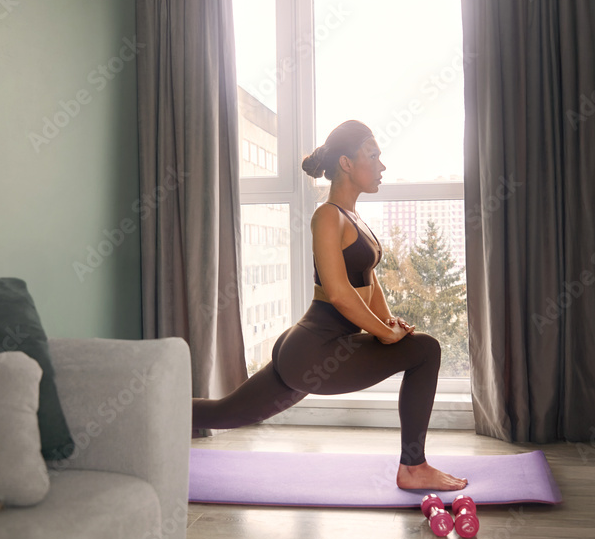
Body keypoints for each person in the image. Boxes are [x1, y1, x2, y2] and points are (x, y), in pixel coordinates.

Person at [193, 120, 467, 491]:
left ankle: (148, 412)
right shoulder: (327, 216)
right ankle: (413, 467)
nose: (382, 166)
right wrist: (384, 333)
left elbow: (367, 280)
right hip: (313, 349)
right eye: (373, 156)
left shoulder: (354, 218)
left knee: (228, 413)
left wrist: (389, 323)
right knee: (427, 351)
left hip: (314, 347)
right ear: (347, 163)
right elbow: (338, 293)